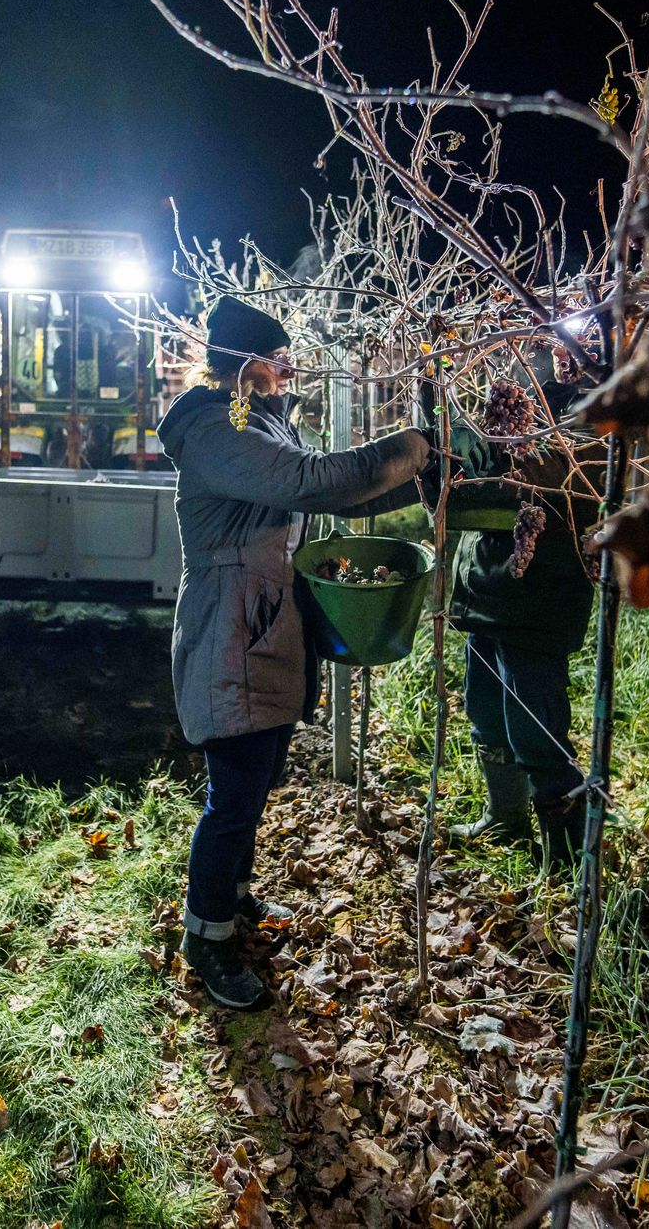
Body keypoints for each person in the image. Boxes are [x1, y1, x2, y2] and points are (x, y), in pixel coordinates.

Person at [157, 295, 431, 1010]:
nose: (288, 368)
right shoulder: (219, 432)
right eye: (277, 358)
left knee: (258, 776)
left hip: (263, 622)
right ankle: (207, 936)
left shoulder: (259, 424)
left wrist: (414, 476)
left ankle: (236, 896)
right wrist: (412, 446)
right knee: (234, 794)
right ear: (247, 363)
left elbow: (329, 494)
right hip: (230, 627)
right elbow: (311, 481)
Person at [445, 379, 598, 869]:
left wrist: (504, 456)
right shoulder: (497, 383)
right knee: (484, 710)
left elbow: (571, 479)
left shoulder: (591, 400)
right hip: (486, 581)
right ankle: (505, 817)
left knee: (535, 731)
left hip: (538, 595)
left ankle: (567, 863)